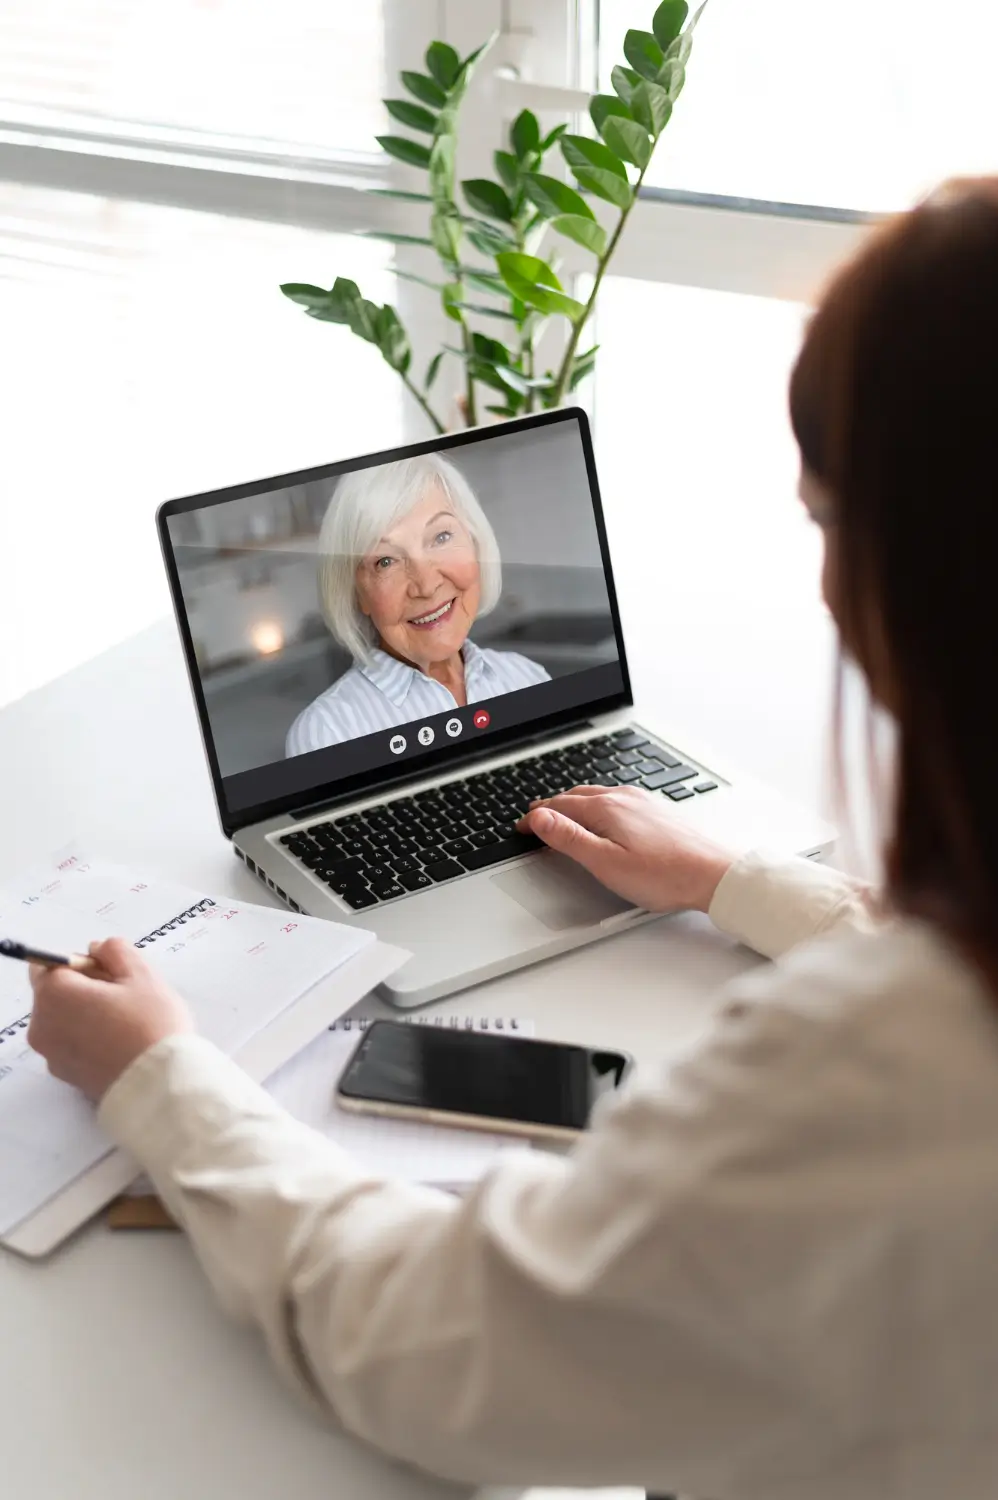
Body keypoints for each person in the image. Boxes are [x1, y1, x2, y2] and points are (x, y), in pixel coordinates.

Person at [28, 178, 998, 1497]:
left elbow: (426, 1344)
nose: (825, 588)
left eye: (827, 522)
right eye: (384, 558)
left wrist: (158, 1077)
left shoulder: (863, 1080)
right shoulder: (332, 722)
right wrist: (733, 880)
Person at [285, 454, 549, 755]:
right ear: (357, 594)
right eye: (386, 561)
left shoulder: (526, 677)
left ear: (475, 543)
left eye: (441, 537)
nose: (426, 585)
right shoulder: (327, 733)